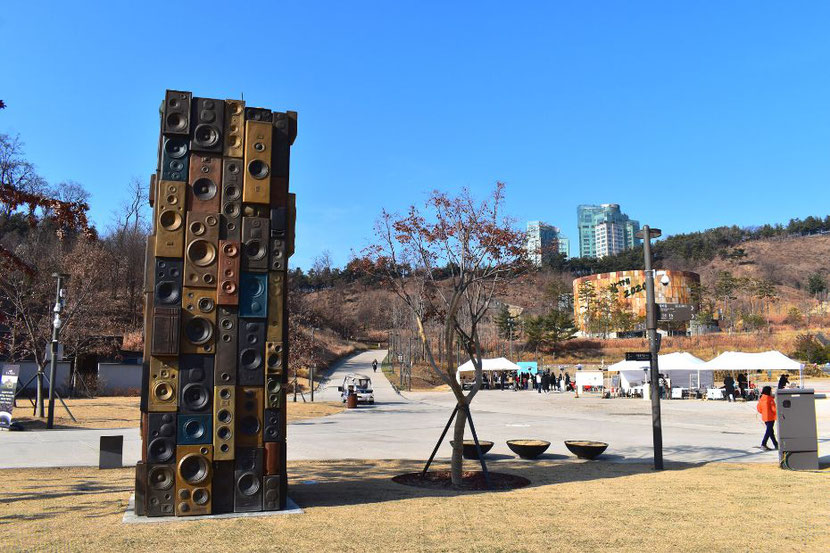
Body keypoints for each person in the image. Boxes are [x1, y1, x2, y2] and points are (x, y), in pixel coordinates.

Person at [756, 386, 778, 450]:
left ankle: (776, 444)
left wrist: (764, 412)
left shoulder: (761, 399)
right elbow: (774, 409)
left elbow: (759, 408)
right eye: (771, 391)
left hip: (765, 417)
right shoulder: (770, 399)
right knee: (769, 431)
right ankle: (763, 444)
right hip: (771, 418)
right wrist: (777, 415)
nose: (771, 392)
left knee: (770, 431)